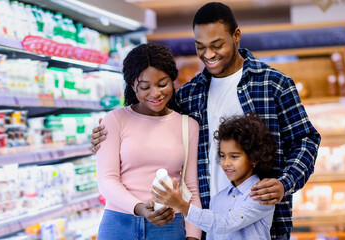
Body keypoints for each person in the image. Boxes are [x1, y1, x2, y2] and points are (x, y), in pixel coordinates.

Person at [92, 2, 321, 239]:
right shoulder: (189, 94)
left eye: (217, 45)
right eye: (200, 47)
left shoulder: (273, 85)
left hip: (260, 223)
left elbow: (307, 140)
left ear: (236, 36)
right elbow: (150, 124)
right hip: (207, 224)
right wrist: (103, 137)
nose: (208, 54)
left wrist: (284, 183)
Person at [95, 42, 202, 240]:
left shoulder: (188, 126)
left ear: (172, 80)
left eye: (162, 84)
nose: (156, 93)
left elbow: (191, 188)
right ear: (132, 86)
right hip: (119, 223)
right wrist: (139, 208)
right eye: (145, 87)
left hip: (169, 224)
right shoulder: (115, 120)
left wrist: (193, 236)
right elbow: (107, 179)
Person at [152, 114, 276, 240]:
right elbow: (213, 232)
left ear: (254, 158)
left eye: (234, 156)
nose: (226, 163)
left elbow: (226, 223)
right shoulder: (217, 199)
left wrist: (181, 205)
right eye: (222, 156)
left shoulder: (262, 195)